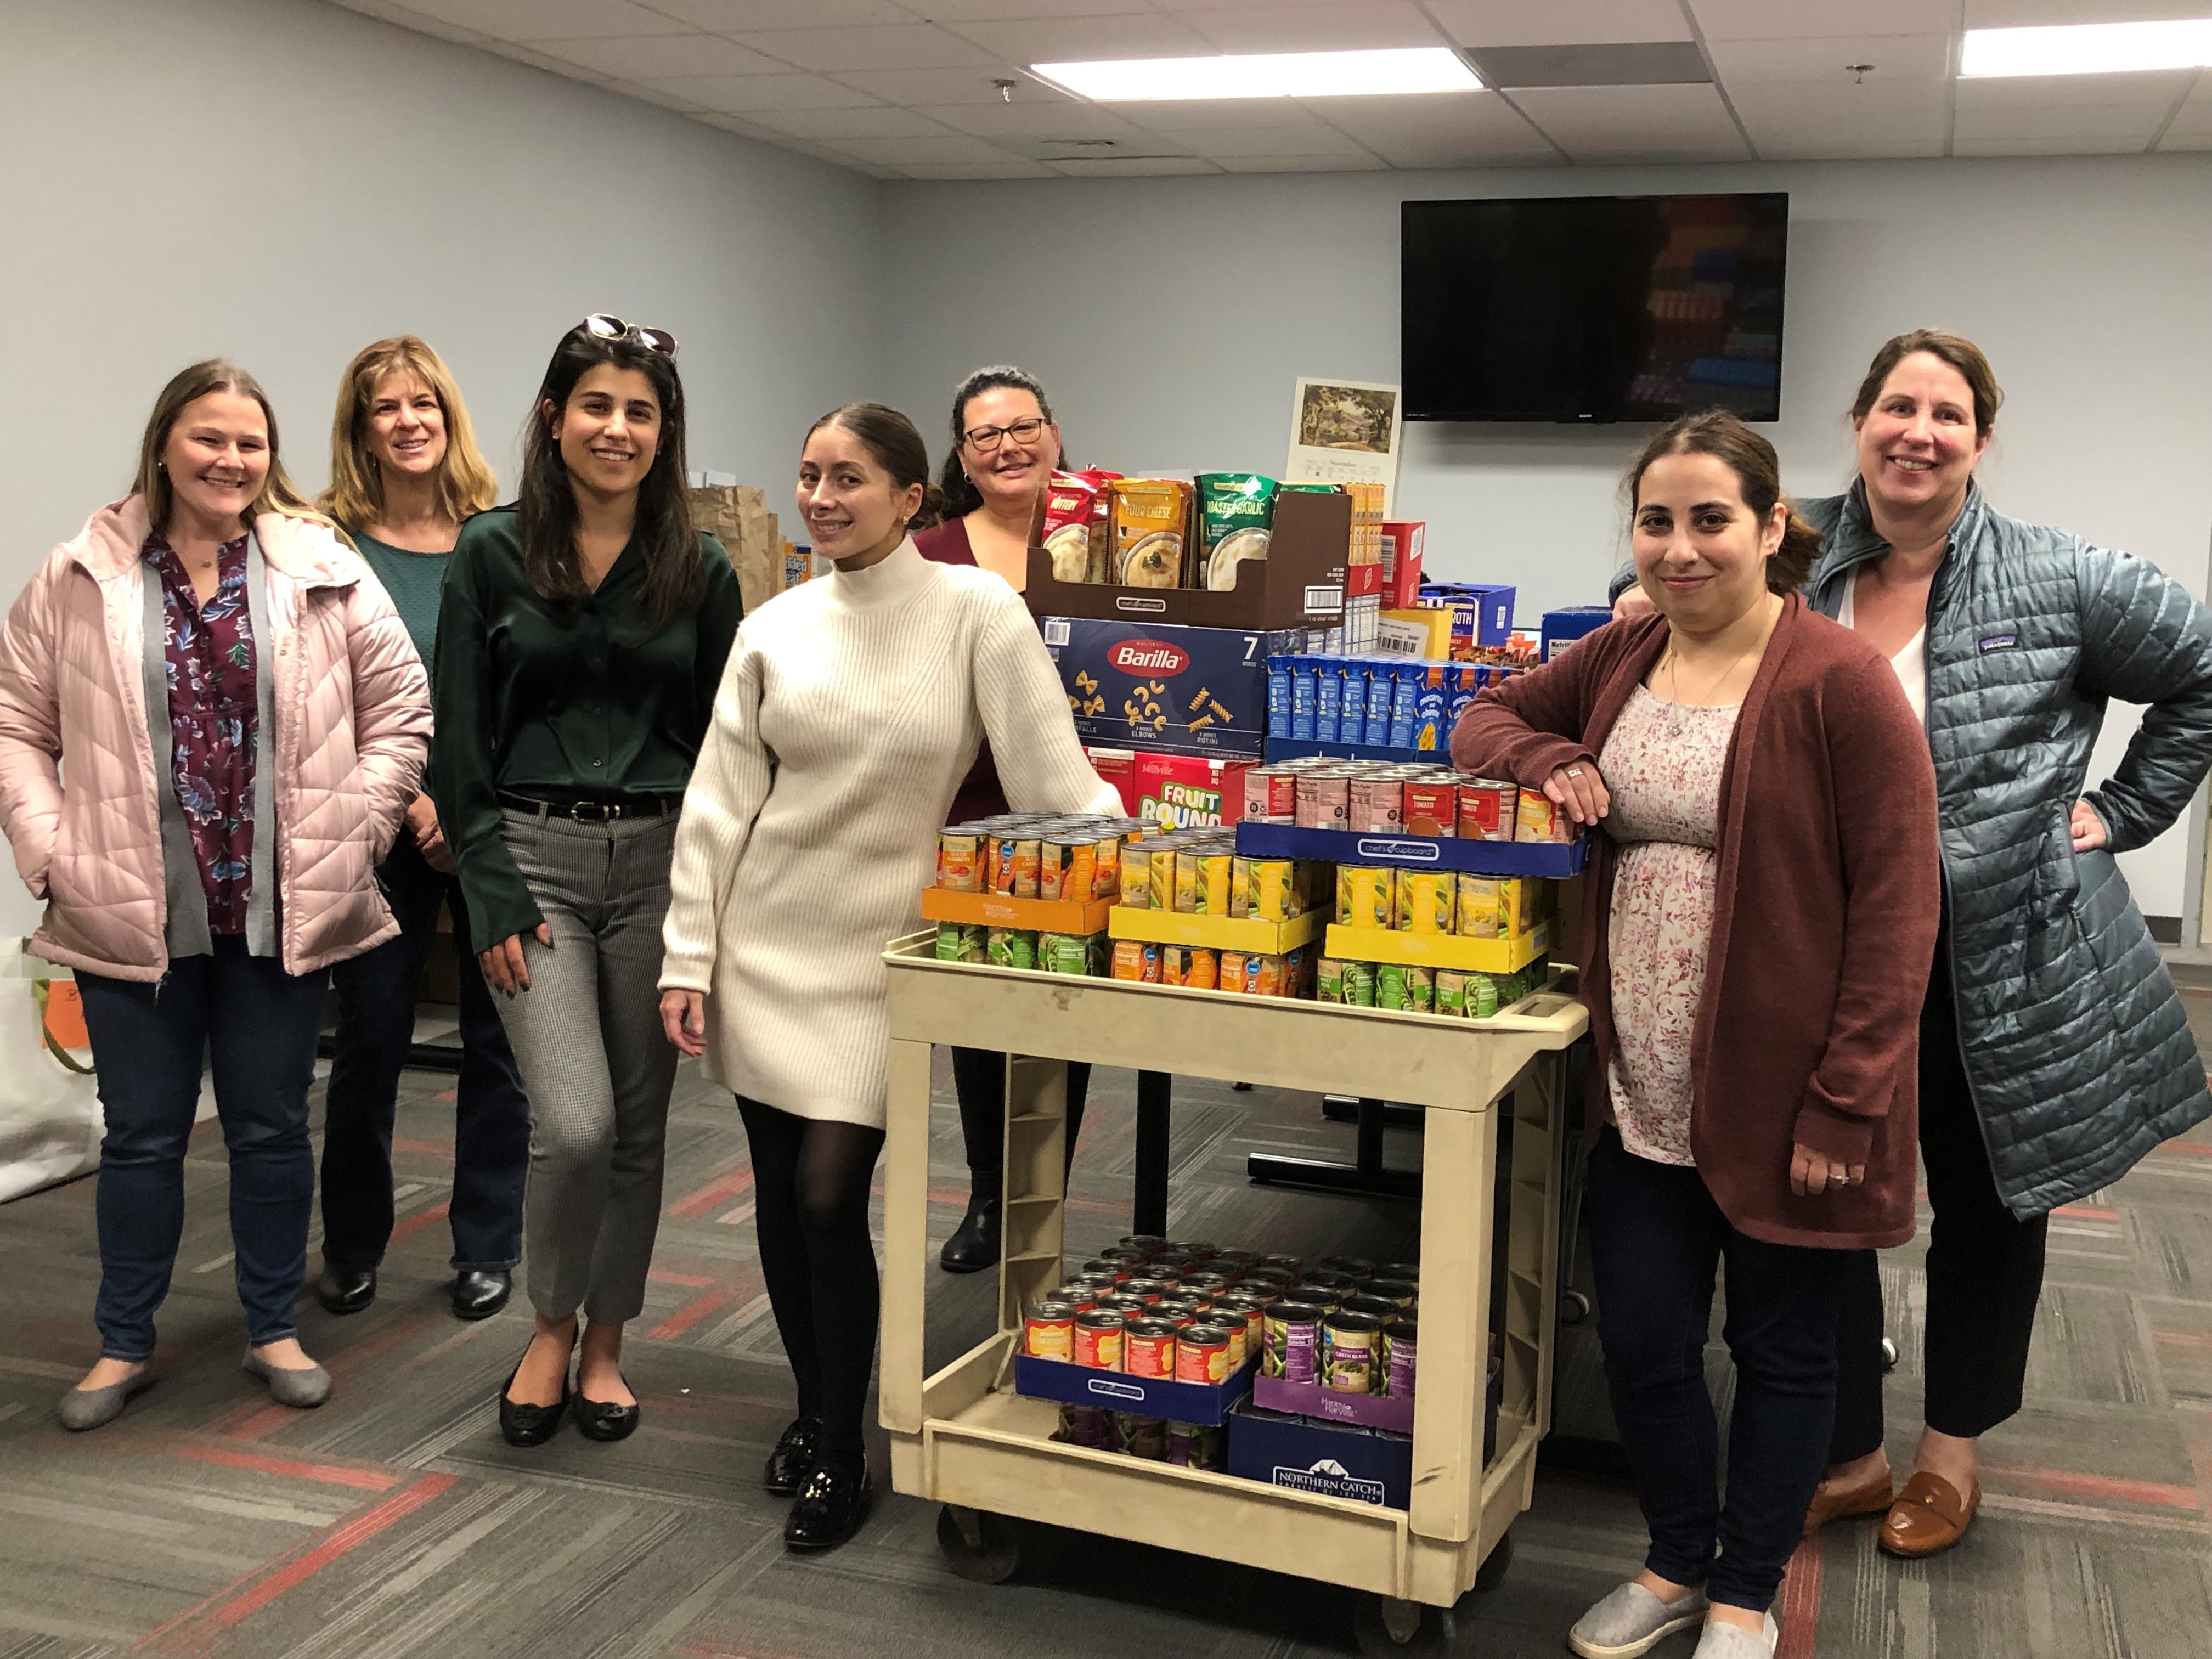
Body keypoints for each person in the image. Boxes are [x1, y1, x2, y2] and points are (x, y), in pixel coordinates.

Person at [1455, 410, 1939, 1659]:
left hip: (1789, 1095)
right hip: (1638, 1090)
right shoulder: (1626, 654)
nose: (1681, 549)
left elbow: (1899, 904)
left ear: (1773, 529)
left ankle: (1743, 1592)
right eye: (1657, 521)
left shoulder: (1839, 679)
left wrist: (1849, 1101)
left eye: (1711, 520)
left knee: (1779, 1348)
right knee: (1645, 1340)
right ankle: (1675, 1559)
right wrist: (1552, 754)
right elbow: (1482, 719)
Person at [659, 402, 1119, 1553]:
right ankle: (822, 1420)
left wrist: (1158, 857)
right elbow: (719, 806)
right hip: (768, 943)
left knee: (828, 1194)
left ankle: (841, 1432)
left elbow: (1052, 778)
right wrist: (689, 954)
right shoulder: (775, 627)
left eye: (848, 478)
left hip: (883, 962)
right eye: (809, 474)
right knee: (779, 1200)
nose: (819, 497)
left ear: (915, 499)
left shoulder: (978, 613)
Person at [1784, 331, 2212, 1555]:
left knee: (1985, 1202)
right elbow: (1665, 598)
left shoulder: (2063, 574)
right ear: (1859, 419)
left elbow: (2200, 678)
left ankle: (1949, 1456)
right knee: (1832, 1198)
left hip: (1997, 960)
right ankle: (1853, 1451)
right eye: (1898, 406)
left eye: (1949, 413)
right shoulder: (1791, 548)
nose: (1920, 431)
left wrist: (2122, 813)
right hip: (1828, 948)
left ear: (1981, 439)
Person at [0, 359, 430, 1431]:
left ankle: (271, 1323)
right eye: (209, 438)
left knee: (272, 1127)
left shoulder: (316, 565)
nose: (231, 460)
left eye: (249, 442)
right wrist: (50, 853)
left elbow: (400, 711)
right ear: (166, 443)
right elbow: (17, 723)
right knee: (141, 1135)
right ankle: (123, 1341)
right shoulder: (83, 571)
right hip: (130, 904)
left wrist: (360, 829)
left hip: (279, 908)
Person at [431, 315, 743, 1449]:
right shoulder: (489, 551)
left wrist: (707, 907)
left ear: (665, 434)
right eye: (596, 406)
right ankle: (549, 1324)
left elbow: (726, 748)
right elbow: (456, 737)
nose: (617, 429)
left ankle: (607, 1342)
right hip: (533, 860)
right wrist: (490, 889)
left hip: (660, 863)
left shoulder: (700, 568)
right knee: (572, 1124)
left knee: (639, 1130)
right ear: (555, 418)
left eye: (641, 412)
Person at [315, 335, 531, 1323]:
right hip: (378, 823)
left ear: (449, 418)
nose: (407, 422)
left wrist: (467, 807)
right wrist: (414, 801)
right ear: (360, 429)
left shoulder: (499, 536)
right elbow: (324, 698)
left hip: (487, 820)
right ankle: (353, 1243)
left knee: (501, 1040)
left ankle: (487, 1245)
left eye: (423, 405)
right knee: (371, 1039)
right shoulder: (329, 543)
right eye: (384, 408)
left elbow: (518, 687)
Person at [916, 365, 1093, 1273]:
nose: (1008, 447)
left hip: (1083, 806)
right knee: (985, 1011)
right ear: (962, 456)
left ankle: (1045, 1191)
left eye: (1024, 427)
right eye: (985, 436)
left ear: (1056, 435)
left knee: (1068, 1000)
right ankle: (990, 1192)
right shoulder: (933, 551)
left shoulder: (1108, 541)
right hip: (973, 813)